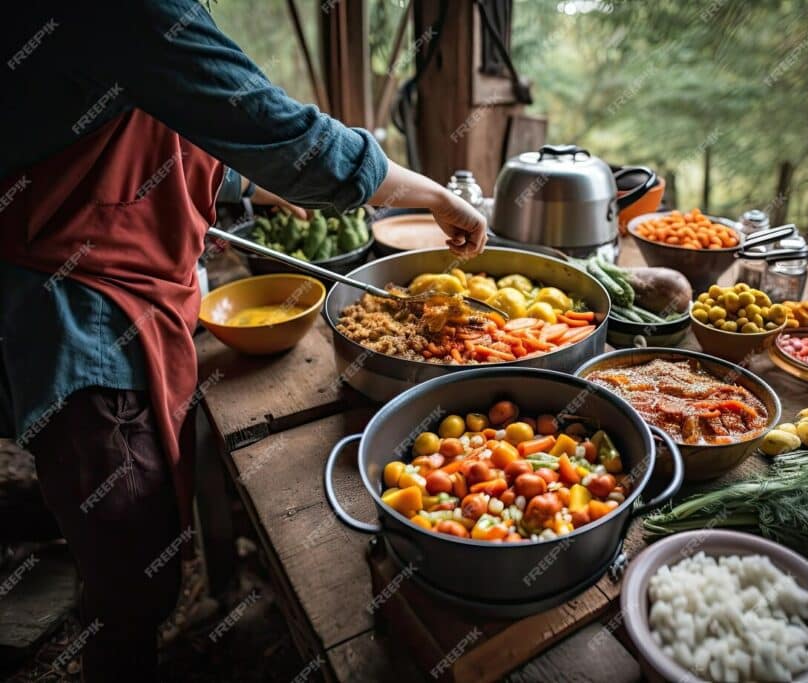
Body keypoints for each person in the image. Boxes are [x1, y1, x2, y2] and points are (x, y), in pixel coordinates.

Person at [0, 2, 486, 680]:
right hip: (79, 300)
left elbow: (181, 130)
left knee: (144, 501)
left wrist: (262, 185)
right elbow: (271, 125)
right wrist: (426, 192)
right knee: (125, 534)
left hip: (148, 289)